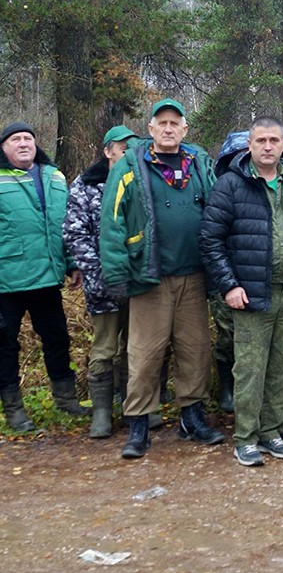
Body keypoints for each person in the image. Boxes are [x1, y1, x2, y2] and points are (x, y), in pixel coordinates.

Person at [201, 117, 283, 466]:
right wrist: (229, 285)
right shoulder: (230, 185)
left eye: (274, 140)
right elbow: (210, 241)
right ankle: (246, 437)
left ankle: (272, 431)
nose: (268, 146)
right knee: (251, 367)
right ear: (250, 146)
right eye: (261, 141)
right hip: (252, 291)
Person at [100, 99, 224, 459]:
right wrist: (118, 273)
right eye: (161, 123)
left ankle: (192, 418)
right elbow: (112, 224)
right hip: (150, 276)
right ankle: (138, 424)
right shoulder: (130, 166)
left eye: (175, 123)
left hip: (194, 275)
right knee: (145, 353)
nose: (168, 128)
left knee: (195, 350)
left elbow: (218, 211)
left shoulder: (200, 164)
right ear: (150, 129)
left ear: (185, 130)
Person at [0, 122, 85, 432]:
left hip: (47, 277)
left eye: (28, 138)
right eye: (16, 139)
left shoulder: (54, 176)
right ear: (4, 147)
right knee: (6, 345)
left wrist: (72, 262)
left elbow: (66, 225)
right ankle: (14, 410)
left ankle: (66, 399)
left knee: (57, 339)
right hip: (7, 279)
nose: (24, 143)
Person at [63, 125, 139, 438]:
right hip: (103, 284)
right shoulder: (85, 186)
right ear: (108, 151)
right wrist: (97, 273)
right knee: (105, 348)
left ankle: (133, 407)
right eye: (123, 149)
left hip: (139, 284)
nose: (128, 155)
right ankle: (102, 414)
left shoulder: (140, 181)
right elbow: (75, 233)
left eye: (133, 149)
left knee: (136, 348)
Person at [209, 130, 251, 416]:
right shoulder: (219, 189)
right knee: (227, 335)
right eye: (234, 156)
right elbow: (211, 238)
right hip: (223, 278)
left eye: (243, 156)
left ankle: (249, 390)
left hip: (256, 275)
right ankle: (226, 389)